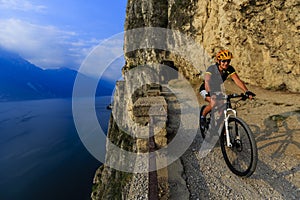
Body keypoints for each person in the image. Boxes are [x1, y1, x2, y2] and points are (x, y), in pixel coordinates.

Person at [199, 49, 255, 128]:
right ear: (219, 61)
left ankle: (224, 131)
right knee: (214, 103)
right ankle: (203, 117)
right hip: (205, 89)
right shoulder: (212, 69)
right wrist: (210, 93)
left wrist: (246, 91)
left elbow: (237, 80)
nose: (226, 63)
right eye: (223, 61)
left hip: (217, 89)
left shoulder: (229, 69)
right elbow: (207, 81)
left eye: (228, 61)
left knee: (223, 107)